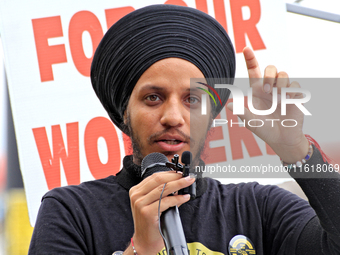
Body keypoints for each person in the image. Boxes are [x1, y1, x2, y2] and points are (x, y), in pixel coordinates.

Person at [28, 4, 340, 255]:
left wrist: (294, 147)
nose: (173, 116)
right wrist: (143, 248)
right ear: (124, 112)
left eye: (192, 99)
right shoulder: (71, 212)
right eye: (153, 98)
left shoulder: (259, 209)